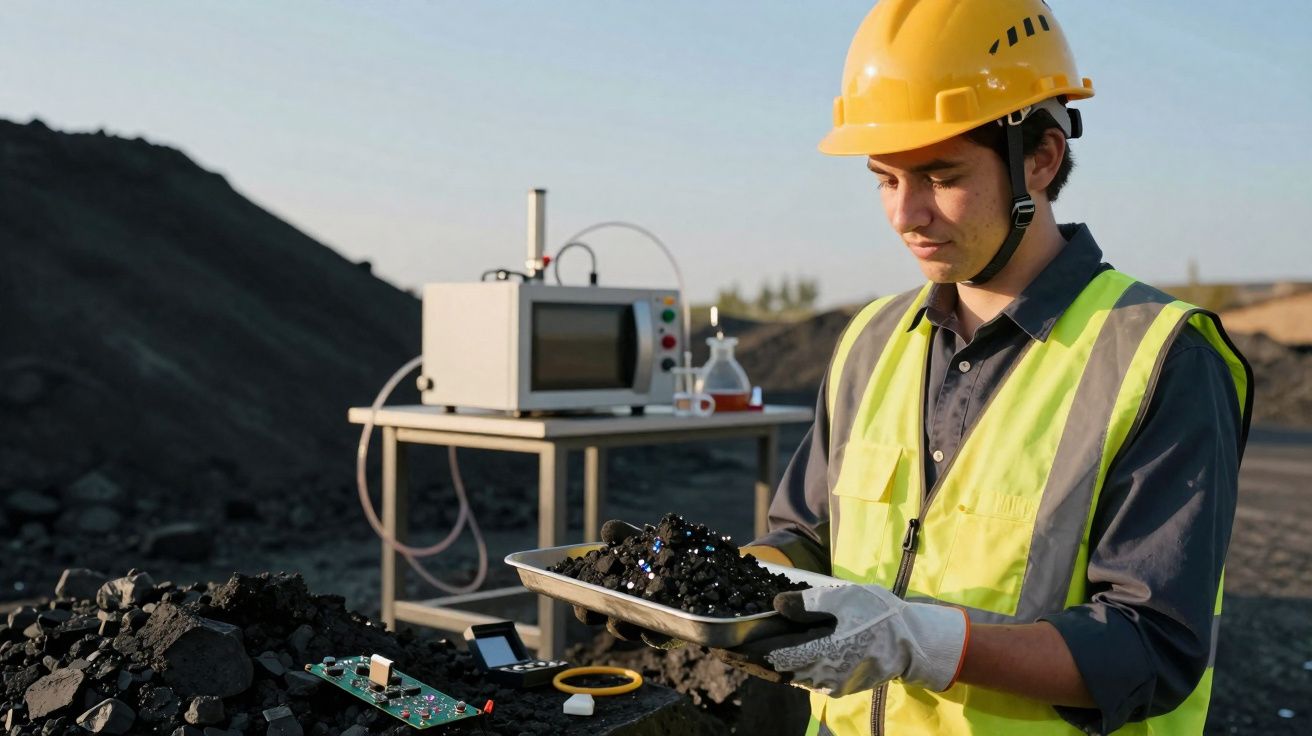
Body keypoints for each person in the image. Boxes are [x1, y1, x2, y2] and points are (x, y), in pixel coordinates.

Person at [719, 1, 1254, 734]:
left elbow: (1148, 648)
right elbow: (810, 538)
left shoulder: (1162, 357)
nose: (906, 214)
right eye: (884, 179)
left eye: (939, 177)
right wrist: (715, 591)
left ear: (1040, 157)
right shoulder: (870, 341)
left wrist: (920, 643)